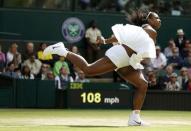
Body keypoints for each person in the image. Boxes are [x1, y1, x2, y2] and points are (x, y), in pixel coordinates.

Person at [43, 10, 161, 126]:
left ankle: (135, 118)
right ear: (149, 20)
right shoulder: (149, 30)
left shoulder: (144, 30)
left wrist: (105, 41)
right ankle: (62, 50)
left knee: (142, 84)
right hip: (121, 55)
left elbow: (122, 38)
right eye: (156, 18)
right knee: (88, 70)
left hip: (129, 61)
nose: (159, 20)